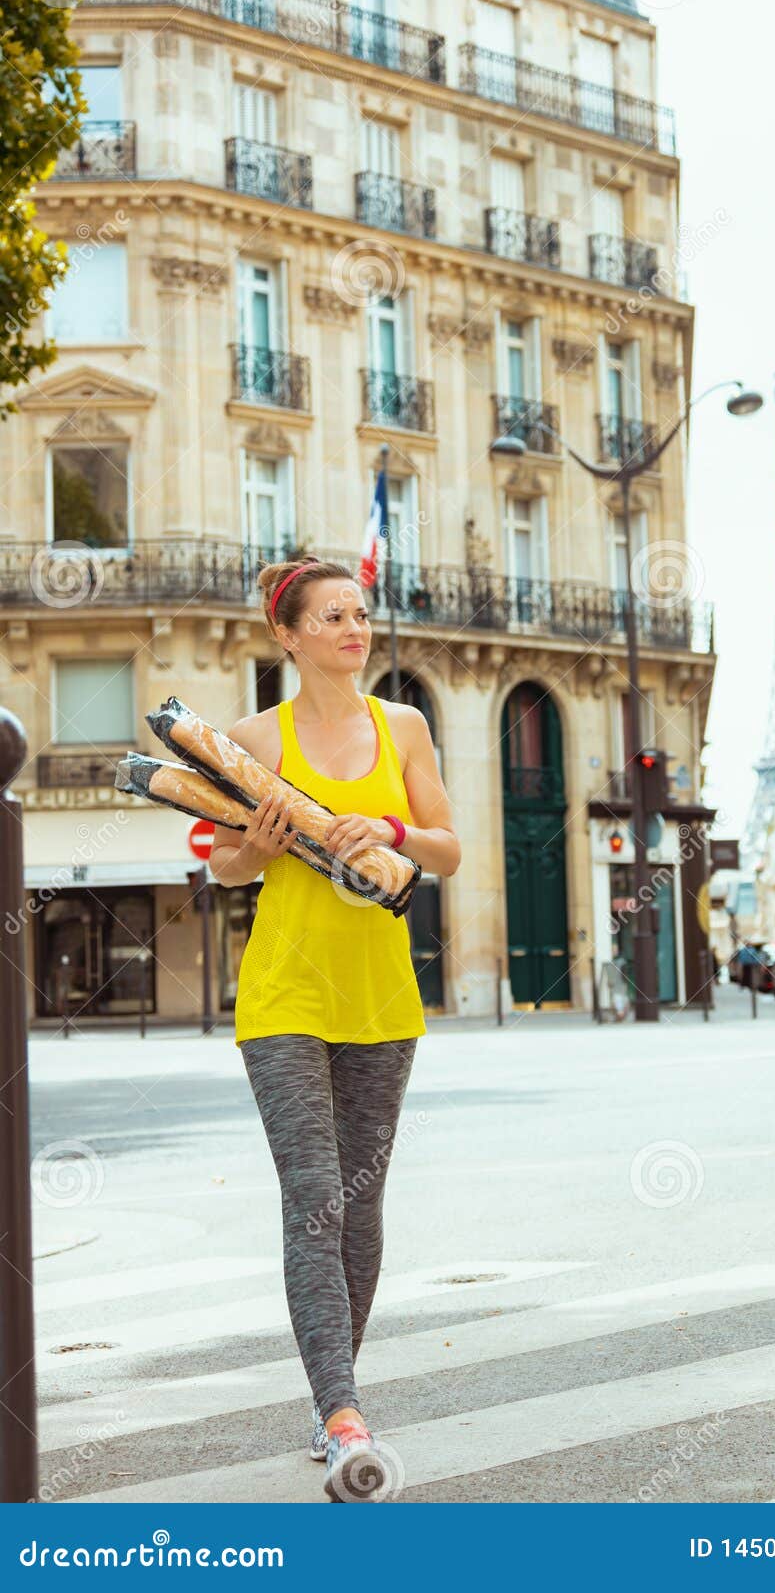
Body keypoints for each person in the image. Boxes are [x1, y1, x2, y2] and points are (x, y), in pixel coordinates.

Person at [209, 556, 461, 1500]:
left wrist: (390, 834)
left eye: (360, 613)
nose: (354, 629)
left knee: (361, 1206)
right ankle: (344, 1413)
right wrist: (258, 847)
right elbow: (223, 868)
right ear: (288, 635)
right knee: (314, 1199)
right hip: (283, 997)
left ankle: (330, 1400)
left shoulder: (403, 726)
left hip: (381, 996)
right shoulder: (252, 740)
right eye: (331, 617)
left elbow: (448, 847)